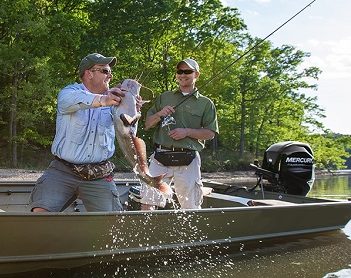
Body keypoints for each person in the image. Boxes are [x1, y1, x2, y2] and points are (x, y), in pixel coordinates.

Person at [28, 53, 126, 212]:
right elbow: (76, 99)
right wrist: (103, 100)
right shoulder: (68, 93)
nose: (110, 75)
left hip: (99, 175)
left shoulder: (115, 101)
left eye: (110, 71)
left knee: (113, 226)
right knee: (40, 213)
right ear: (89, 73)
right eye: (105, 71)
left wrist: (131, 111)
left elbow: (127, 134)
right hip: (63, 171)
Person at [140, 58, 218, 210]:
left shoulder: (206, 103)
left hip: (188, 160)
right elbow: (148, 124)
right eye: (179, 71)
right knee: (147, 203)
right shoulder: (164, 97)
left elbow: (210, 133)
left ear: (197, 75)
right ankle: (148, 232)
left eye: (188, 71)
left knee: (190, 207)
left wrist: (187, 132)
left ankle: (190, 233)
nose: (183, 75)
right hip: (160, 158)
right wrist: (160, 114)